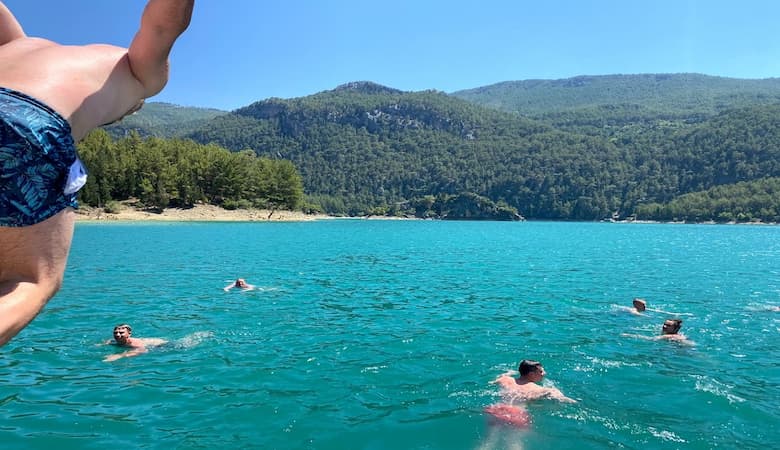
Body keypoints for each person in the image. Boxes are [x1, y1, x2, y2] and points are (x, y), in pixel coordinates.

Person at [0, 0, 194, 346]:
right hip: (26, 120)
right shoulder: (139, 76)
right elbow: (163, 26)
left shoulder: (17, 45)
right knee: (33, 280)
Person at [485, 359, 576, 428]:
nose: (544, 373)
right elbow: (558, 397)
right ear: (531, 374)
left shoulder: (505, 379)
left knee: (488, 441)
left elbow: (492, 382)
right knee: (515, 444)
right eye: (541, 371)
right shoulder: (539, 389)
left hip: (497, 409)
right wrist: (573, 401)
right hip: (516, 414)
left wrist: (510, 373)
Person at [622, 318, 694, 345]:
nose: (664, 326)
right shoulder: (680, 335)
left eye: (668, 326)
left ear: (675, 329)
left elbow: (651, 339)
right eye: (664, 324)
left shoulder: (667, 336)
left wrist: (629, 335)